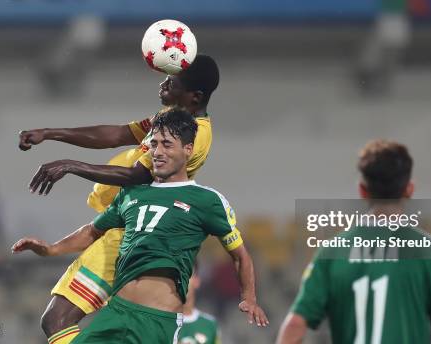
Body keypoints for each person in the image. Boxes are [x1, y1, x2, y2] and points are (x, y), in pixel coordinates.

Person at [13, 109, 268, 343]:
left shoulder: (207, 200)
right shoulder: (131, 194)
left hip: (155, 320)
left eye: (167, 145)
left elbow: (240, 256)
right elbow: (93, 231)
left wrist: (249, 298)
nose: (158, 152)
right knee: (52, 323)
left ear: (188, 149)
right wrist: (50, 249)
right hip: (116, 312)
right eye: (154, 144)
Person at [17, 55, 219, 344]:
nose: (162, 83)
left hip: (132, 235)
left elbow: (134, 175)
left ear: (195, 96)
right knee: (68, 323)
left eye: (171, 82)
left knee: (58, 319)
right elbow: (116, 134)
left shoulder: (196, 135)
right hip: (120, 225)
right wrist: (50, 133)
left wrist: (71, 165)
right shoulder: (170, 123)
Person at [276, 140, 431, 344]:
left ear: (362, 190)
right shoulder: (429, 252)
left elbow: (294, 325)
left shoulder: (332, 252)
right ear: (409, 189)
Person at [178, 264, 222, 344]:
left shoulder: (210, 325)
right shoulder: (162, 322)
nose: (181, 281)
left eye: (187, 275)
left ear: (196, 281)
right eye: (178, 276)